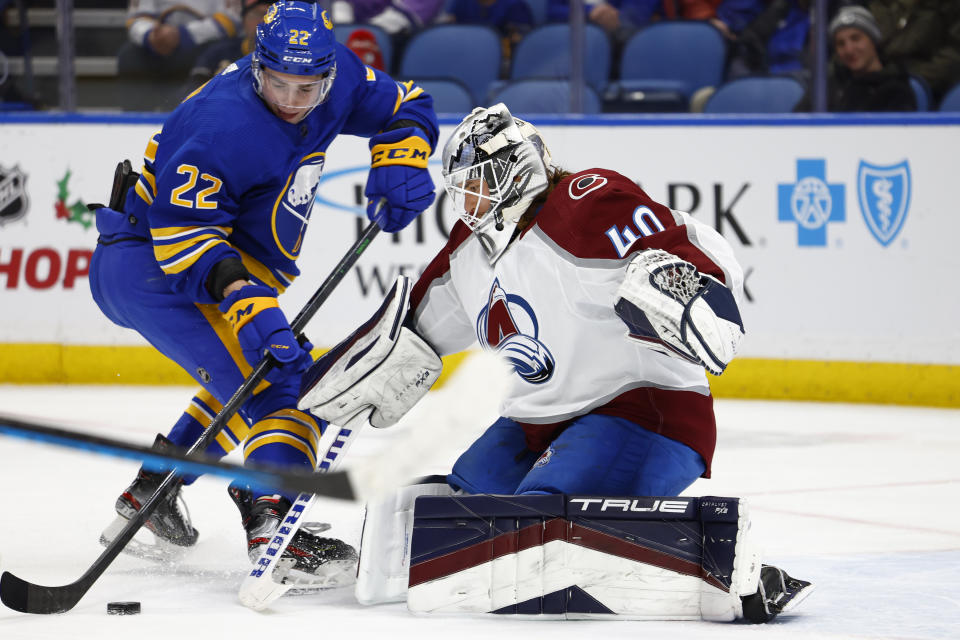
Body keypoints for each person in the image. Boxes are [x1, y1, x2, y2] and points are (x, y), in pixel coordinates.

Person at [298, 103, 813, 621]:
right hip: (536, 420)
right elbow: (410, 327)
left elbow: (674, 242)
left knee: (538, 528)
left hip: (643, 409)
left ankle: (733, 577)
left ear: (520, 167)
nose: (468, 198)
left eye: (480, 180)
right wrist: (324, 376)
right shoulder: (469, 250)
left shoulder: (583, 202)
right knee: (464, 503)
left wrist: (692, 286)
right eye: (461, 186)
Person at [89, 0, 439, 588]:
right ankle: (273, 527)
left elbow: (407, 105)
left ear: (330, 71)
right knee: (288, 388)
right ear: (258, 66)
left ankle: (153, 494)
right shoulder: (223, 124)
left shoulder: (339, 76)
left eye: (309, 86)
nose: (293, 99)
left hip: (215, 261)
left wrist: (401, 155)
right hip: (151, 266)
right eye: (278, 83)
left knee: (246, 375)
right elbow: (184, 237)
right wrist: (249, 305)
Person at [795, 5, 916, 112]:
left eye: (855, 38)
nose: (849, 50)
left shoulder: (896, 90)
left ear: (873, 40)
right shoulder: (830, 85)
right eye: (841, 43)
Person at [118, 0, 243, 79]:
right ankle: (135, 120)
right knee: (129, 56)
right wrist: (150, 35)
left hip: (206, 42)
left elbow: (231, 20)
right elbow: (137, 17)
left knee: (217, 58)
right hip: (158, 40)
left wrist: (182, 35)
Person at [868, 0, 960, 104]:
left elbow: (954, 55)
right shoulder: (878, 5)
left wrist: (911, 81)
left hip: (931, 91)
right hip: (873, 81)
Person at [181, 0, 273, 96]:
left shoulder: (286, 62)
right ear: (244, 20)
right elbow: (192, 95)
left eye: (271, 17)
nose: (263, 22)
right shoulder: (218, 52)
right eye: (257, 14)